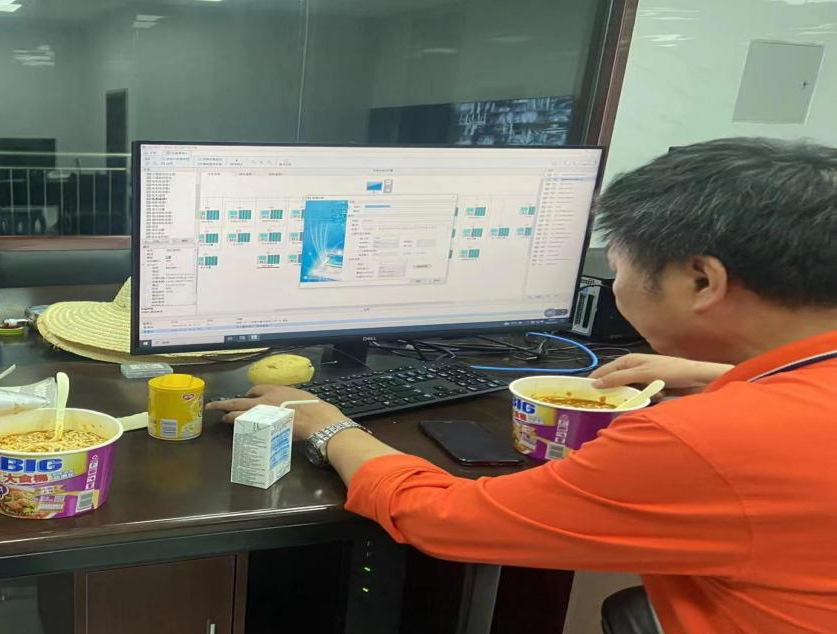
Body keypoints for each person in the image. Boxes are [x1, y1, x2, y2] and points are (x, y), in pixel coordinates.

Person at [208, 138, 837, 633]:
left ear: (702, 281)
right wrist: (718, 374)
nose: (615, 285)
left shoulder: (701, 442)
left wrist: (328, 426)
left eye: (617, 267)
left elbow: (444, 519)